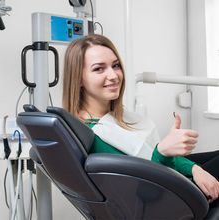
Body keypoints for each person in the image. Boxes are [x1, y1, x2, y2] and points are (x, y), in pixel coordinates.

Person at [62, 34, 219, 204]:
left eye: (115, 66)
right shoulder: (94, 135)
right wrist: (163, 151)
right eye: (99, 69)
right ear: (78, 78)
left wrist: (194, 168)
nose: (114, 76)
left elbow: (147, 154)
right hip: (164, 196)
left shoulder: (113, 117)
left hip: (163, 174)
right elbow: (144, 187)